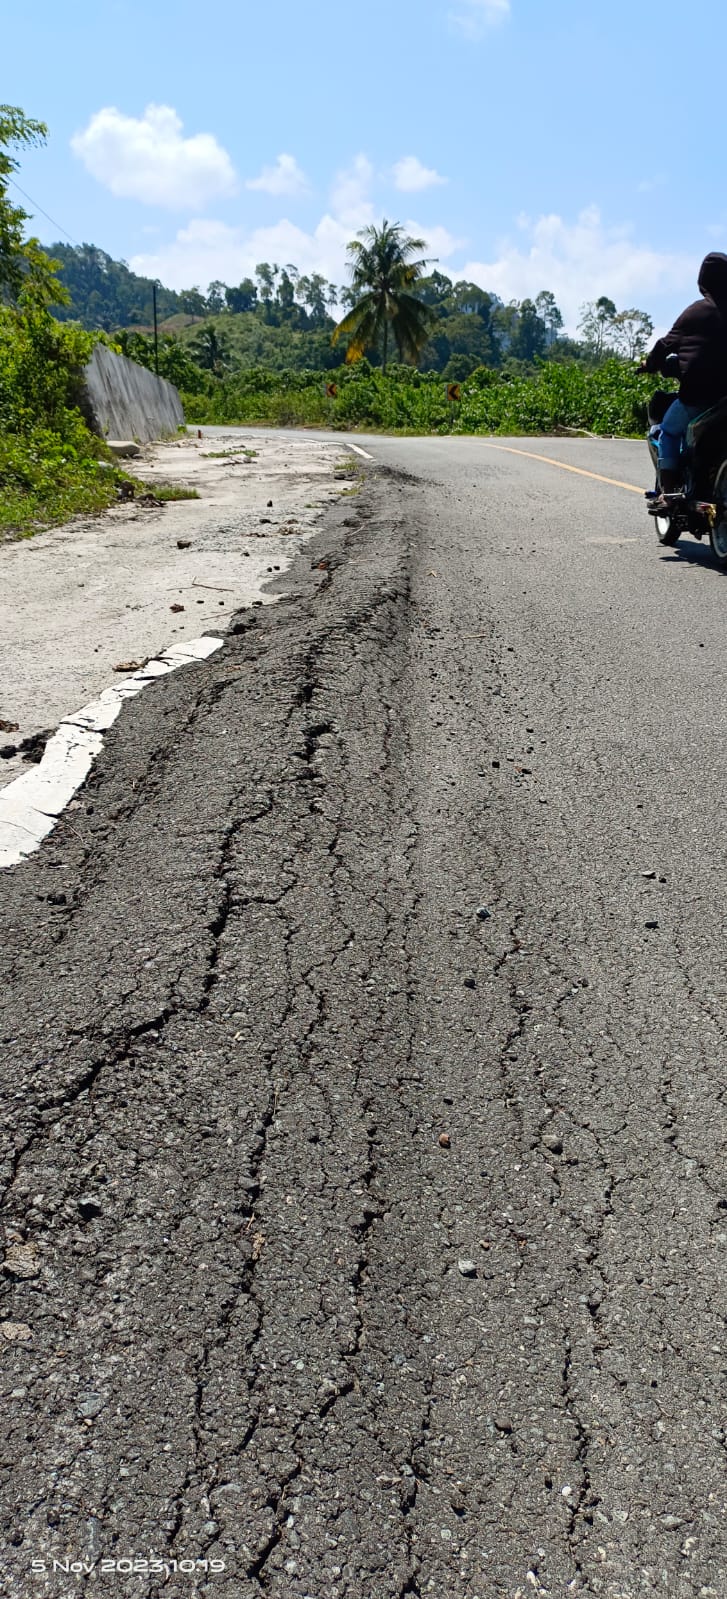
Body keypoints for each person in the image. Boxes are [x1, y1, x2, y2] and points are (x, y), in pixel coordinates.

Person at [639, 253, 727, 507]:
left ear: (704, 280)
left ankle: (668, 493)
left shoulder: (697, 311)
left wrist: (649, 364)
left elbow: (665, 344)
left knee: (668, 431)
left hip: (699, 397)